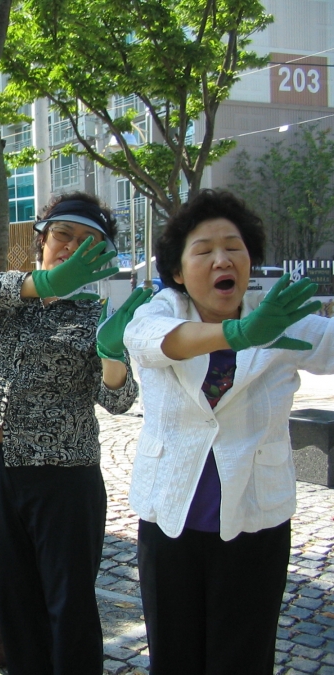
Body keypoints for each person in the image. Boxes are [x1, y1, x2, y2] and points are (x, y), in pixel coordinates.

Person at [122, 189, 334, 674]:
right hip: (169, 520)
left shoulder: (279, 319)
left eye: (234, 247)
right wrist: (238, 335)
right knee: (175, 659)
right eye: (204, 250)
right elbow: (153, 343)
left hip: (255, 521)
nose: (223, 259)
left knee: (242, 659)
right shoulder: (159, 313)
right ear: (177, 271)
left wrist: (259, 329)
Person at [0, 192, 144, 674]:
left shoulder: (97, 314)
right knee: (16, 599)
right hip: (0, 469)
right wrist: (42, 282)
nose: (71, 247)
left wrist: (111, 354)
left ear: (102, 256)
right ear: (42, 239)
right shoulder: (11, 295)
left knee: (69, 607)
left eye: (88, 241)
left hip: (64, 480)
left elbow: (119, 400)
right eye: (63, 235)